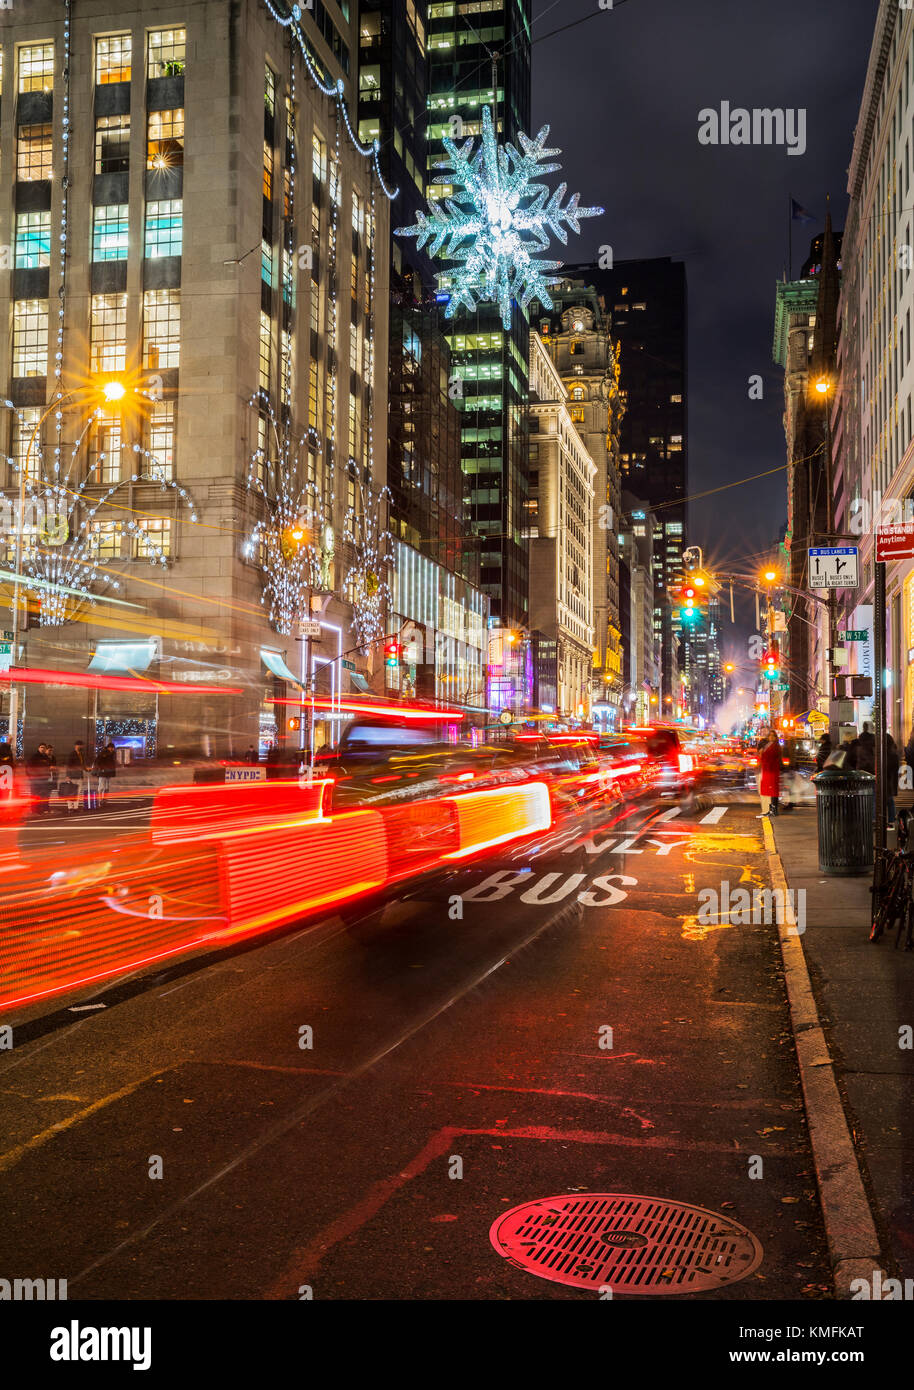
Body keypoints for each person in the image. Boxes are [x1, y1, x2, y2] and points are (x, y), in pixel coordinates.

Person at [757, 730, 782, 818]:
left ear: (775, 737)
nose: (771, 737)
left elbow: (772, 757)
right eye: (770, 735)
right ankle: (771, 809)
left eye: (773, 736)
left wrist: (762, 755)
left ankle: (774, 810)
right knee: (770, 790)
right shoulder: (769, 745)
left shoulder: (775, 746)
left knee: (773, 790)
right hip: (767, 770)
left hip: (772, 771)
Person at [26, 742, 51, 817]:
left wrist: (47, 775)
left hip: (44, 779)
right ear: (38, 748)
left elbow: (48, 768)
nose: (42, 749)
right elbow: (28, 767)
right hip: (35, 779)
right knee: (34, 795)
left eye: (44, 747)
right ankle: (34, 810)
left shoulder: (46, 757)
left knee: (42, 795)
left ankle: (40, 810)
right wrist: (31, 777)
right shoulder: (34, 757)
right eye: (41, 747)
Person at [63, 740, 89, 813]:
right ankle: (70, 807)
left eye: (82, 745)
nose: (81, 747)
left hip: (79, 775)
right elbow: (68, 765)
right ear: (76, 746)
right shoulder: (72, 754)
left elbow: (82, 765)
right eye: (80, 745)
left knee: (78, 792)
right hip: (72, 776)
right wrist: (67, 776)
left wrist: (86, 769)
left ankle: (76, 807)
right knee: (71, 792)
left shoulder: (81, 754)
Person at [94, 741, 117, 805]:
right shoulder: (104, 753)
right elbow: (98, 761)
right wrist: (102, 768)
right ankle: (100, 799)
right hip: (103, 772)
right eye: (112, 748)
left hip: (108, 772)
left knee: (106, 787)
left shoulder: (111, 754)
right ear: (109, 748)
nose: (112, 749)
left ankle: (104, 799)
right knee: (102, 786)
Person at [887, 733, 900, 830]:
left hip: (884, 780)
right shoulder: (894, 754)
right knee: (890, 801)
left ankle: (878, 820)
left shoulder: (880, 753)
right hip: (890, 781)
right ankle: (891, 821)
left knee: (883, 801)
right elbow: (895, 772)